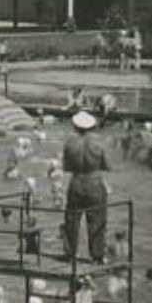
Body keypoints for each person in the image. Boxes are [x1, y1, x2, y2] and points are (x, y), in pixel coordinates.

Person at [63, 111, 111, 264]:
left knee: (72, 220)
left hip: (76, 182)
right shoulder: (99, 143)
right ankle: (97, 256)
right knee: (97, 220)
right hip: (95, 182)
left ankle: (71, 254)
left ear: (75, 126)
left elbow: (66, 167)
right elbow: (107, 165)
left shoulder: (70, 143)